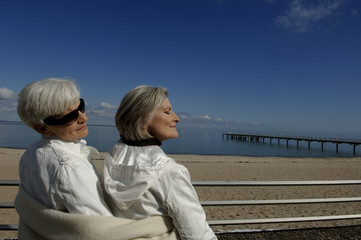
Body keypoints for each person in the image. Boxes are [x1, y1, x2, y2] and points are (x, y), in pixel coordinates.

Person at [102, 85, 217, 240]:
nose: (176, 117)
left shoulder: (112, 160)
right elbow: (198, 235)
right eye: (167, 111)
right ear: (143, 120)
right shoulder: (170, 173)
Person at [17, 78, 112, 216]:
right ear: (43, 128)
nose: (83, 118)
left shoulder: (30, 154)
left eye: (81, 107)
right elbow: (100, 226)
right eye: (70, 117)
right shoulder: (70, 167)